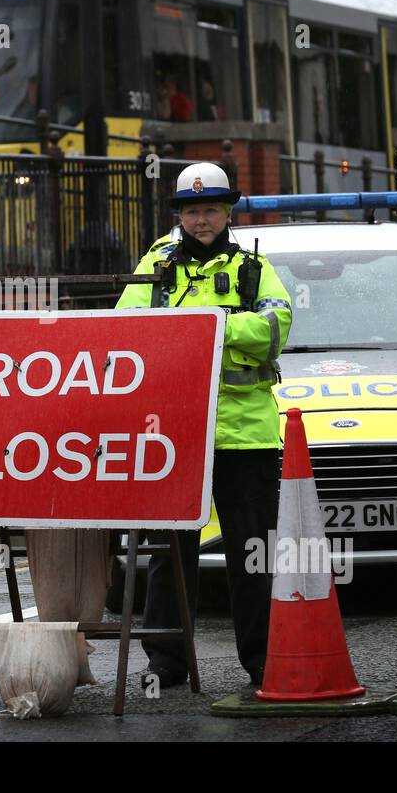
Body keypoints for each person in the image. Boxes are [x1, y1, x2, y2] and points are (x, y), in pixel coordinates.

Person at [116, 163, 292, 688]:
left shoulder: (253, 268)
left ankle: (262, 662)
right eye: (191, 211)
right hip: (174, 432)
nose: (201, 220)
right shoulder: (155, 262)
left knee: (251, 554)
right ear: (179, 215)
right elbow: (128, 328)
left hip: (245, 433)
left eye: (210, 209)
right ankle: (164, 663)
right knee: (170, 554)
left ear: (228, 211)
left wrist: (205, 324)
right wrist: (219, 327)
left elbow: (274, 329)